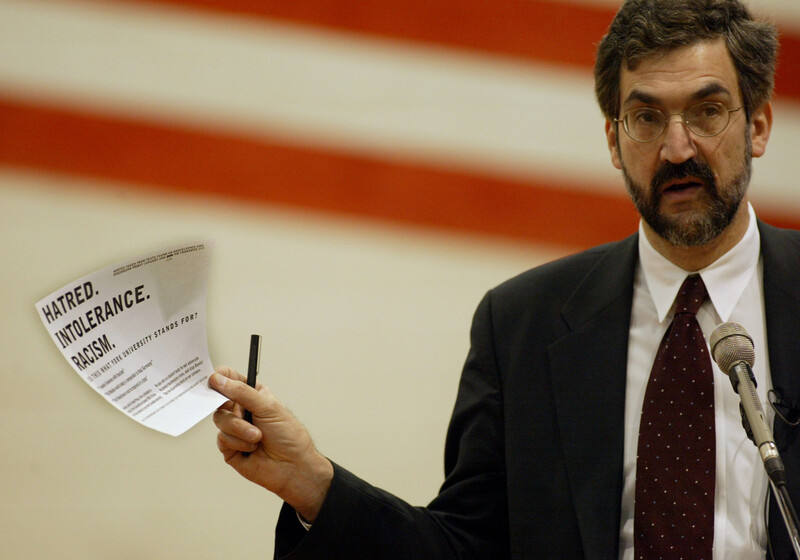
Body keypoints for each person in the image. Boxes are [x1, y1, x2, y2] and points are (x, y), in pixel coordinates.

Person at [209, 0, 800, 558]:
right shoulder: (522, 326)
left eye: (707, 112)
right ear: (614, 142)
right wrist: (314, 484)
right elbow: (464, 548)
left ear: (758, 127)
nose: (677, 148)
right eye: (645, 117)